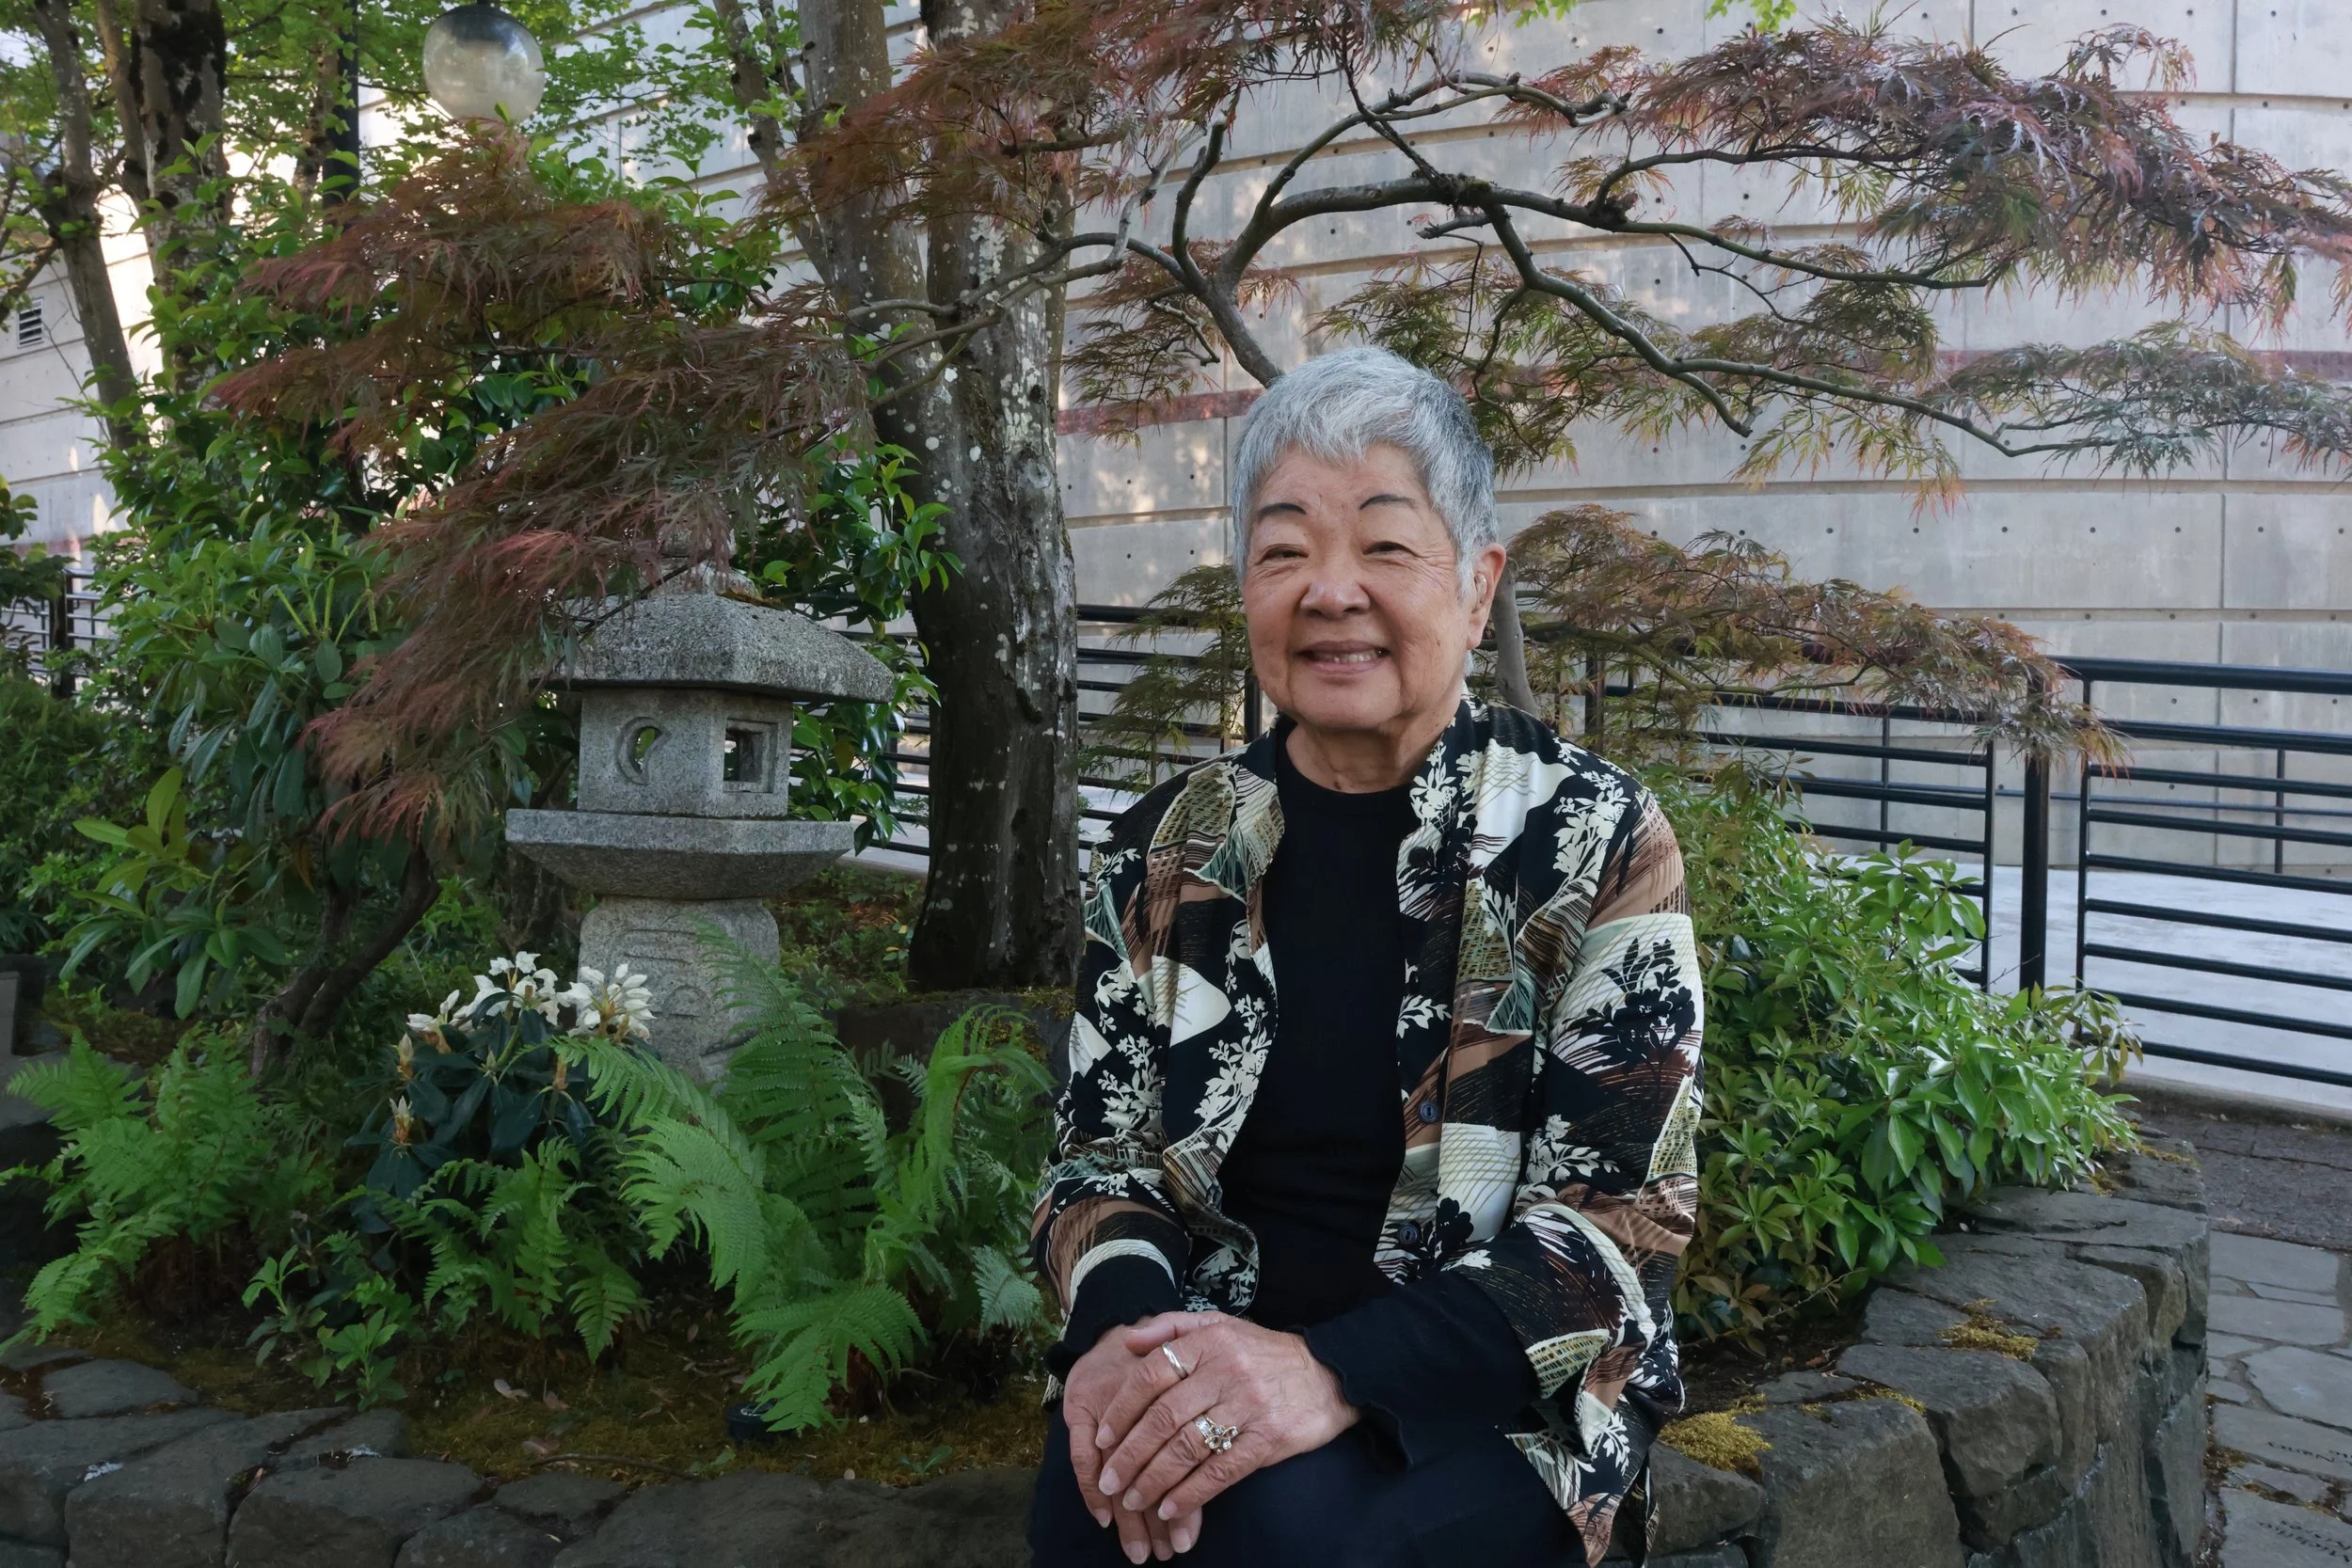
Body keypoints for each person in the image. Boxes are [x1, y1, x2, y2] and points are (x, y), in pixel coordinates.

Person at [1025, 346, 1706, 1568]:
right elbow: (1095, 1166)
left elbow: (1615, 1234)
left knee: (1285, 1541)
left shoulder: (1591, 838)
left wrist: (1327, 1369)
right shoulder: (1167, 852)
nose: (1329, 590)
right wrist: (1136, 1356)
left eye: (1385, 547)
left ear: (1478, 581)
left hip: (1495, 1396)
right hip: (1218, 1353)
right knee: (1092, 1507)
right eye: (1285, 550)